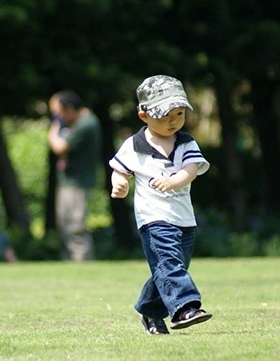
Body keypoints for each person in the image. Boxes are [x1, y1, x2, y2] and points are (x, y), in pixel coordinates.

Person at [109, 75, 212, 335]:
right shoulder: (134, 145)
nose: (173, 120)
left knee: (169, 268)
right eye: (164, 114)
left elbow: (191, 170)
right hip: (153, 218)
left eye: (178, 113)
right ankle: (185, 308)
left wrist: (174, 181)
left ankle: (149, 310)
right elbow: (120, 170)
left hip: (184, 219)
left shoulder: (186, 142)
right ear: (144, 116)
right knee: (169, 263)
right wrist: (119, 184)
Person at [48, 90, 102, 261]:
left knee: (75, 227)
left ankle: (82, 263)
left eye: (58, 113)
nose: (58, 118)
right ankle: (71, 263)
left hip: (78, 183)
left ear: (69, 108)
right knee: (65, 226)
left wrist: (53, 130)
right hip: (70, 182)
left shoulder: (86, 124)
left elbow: (59, 147)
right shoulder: (79, 123)